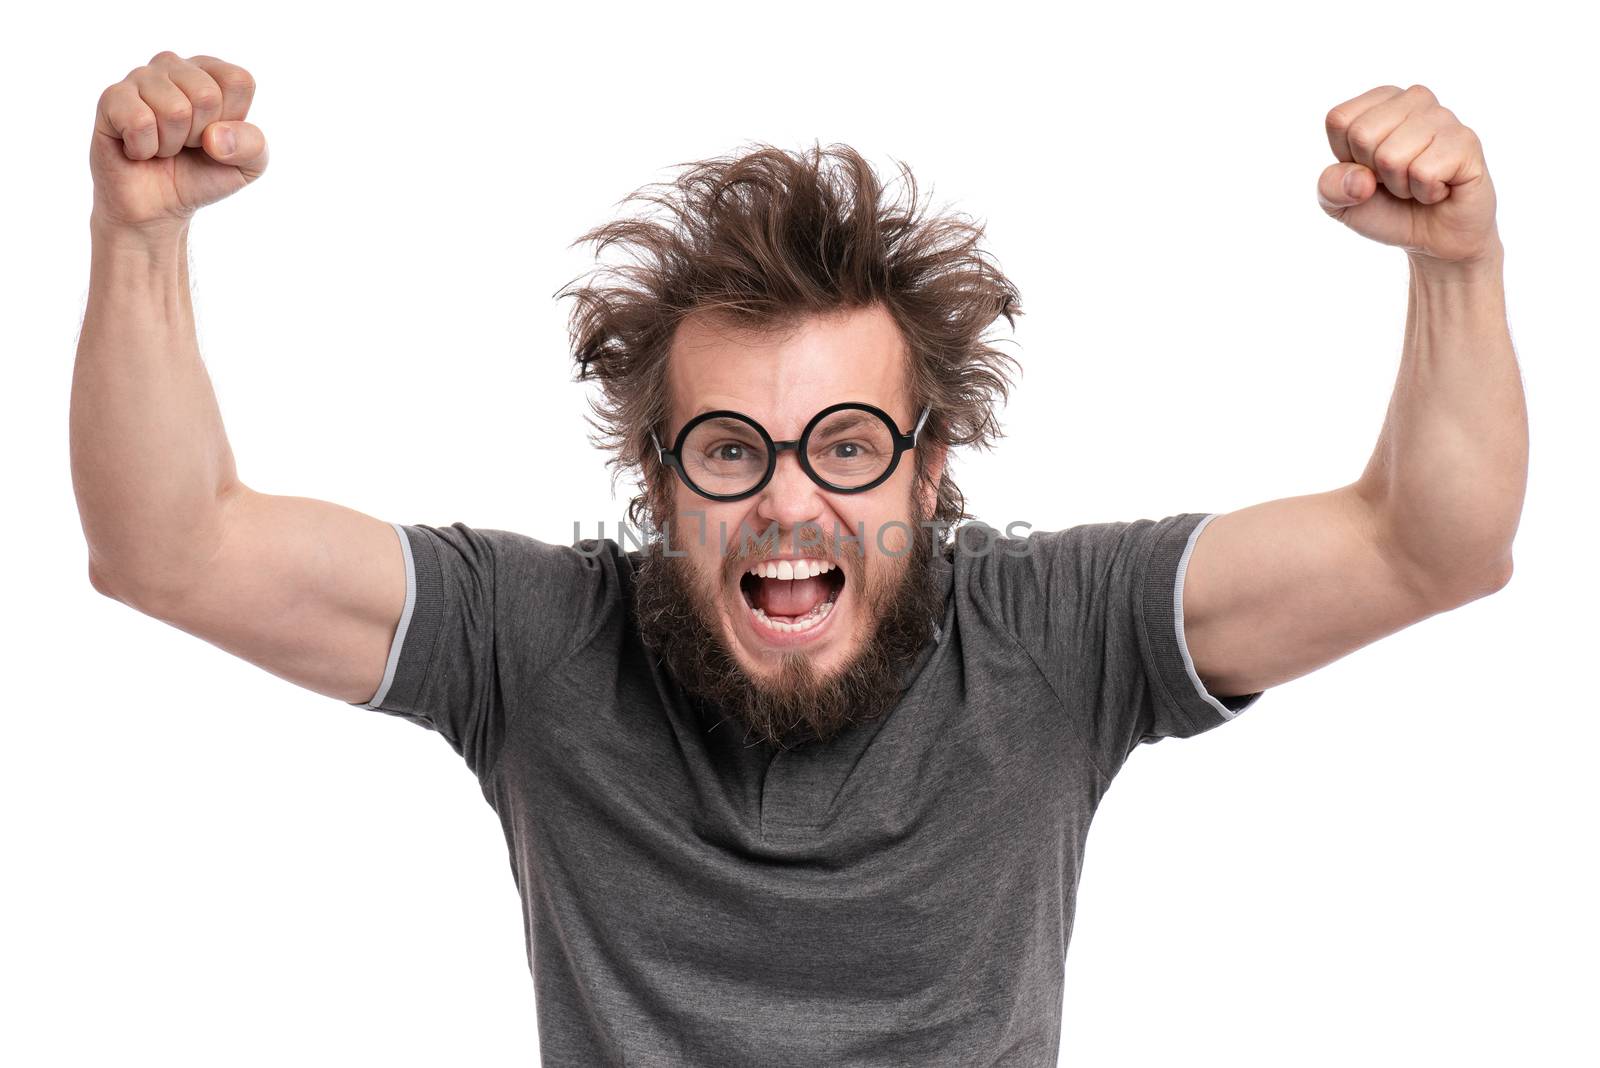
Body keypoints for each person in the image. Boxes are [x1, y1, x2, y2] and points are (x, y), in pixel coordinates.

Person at [72, 51, 1526, 1066]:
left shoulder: (1055, 638)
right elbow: (171, 547)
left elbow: (1432, 545)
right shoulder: (533, 644)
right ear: (655, 478)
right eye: (726, 450)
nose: (787, 504)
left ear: (931, 463)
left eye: (846, 444)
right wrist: (138, 234)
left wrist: (1455, 269)